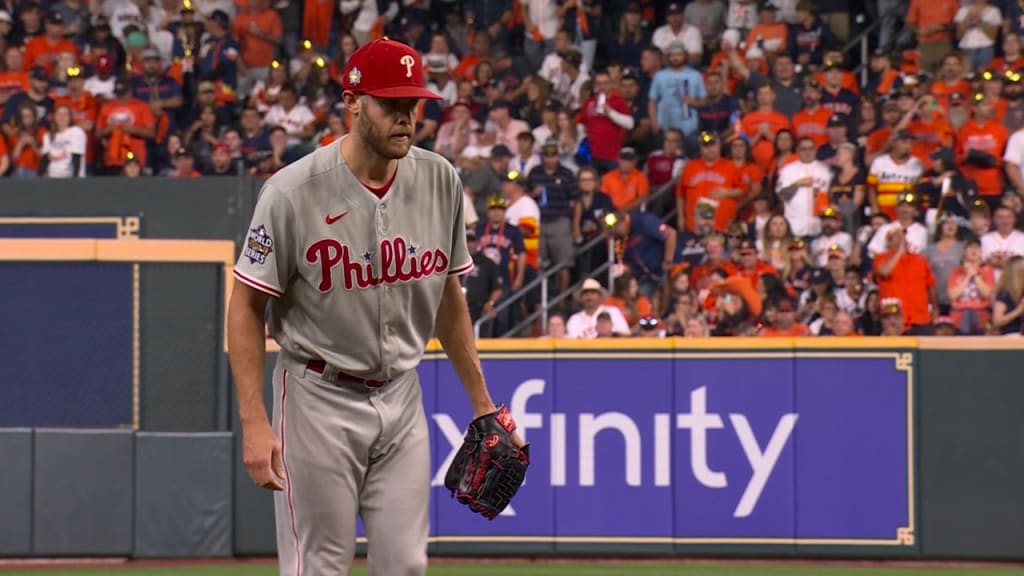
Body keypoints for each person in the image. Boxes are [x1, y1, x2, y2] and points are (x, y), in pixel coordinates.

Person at [227, 39, 522, 576]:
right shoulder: (291, 192)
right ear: (354, 101)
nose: (407, 118)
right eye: (392, 104)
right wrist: (254, 422)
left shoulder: (440, 179)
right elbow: (245, 307)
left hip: (401, 396)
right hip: (317, 396)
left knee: (406, 565)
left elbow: (447, 298)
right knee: (319, 567)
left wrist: (483, 404)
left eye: (413, 105)